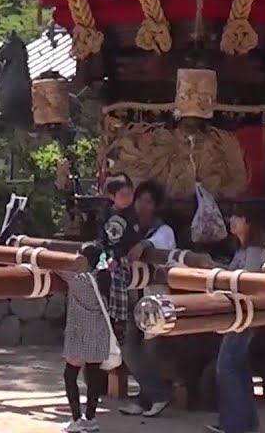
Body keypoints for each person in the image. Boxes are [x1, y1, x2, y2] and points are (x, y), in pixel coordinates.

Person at [117, 180, 176, 418]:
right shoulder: (130, 227)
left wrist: (143, 244)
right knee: (129, 349)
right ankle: (152, 394)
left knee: (150, 351)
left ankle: (154, 396)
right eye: (139, 200)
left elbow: (161, 246)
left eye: (148, 201)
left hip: (154, 302)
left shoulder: (164, 231)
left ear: (156, 206)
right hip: (133, 299)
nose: (142, 205)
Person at [210, 205, 265, 433]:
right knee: (238, 367)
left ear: (249, 222)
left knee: (226, 367)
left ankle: (234, 425)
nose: (232, 220)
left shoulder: (255, 250)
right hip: (239, 314)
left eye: (238, 217)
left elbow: (247, 281)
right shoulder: (243, 248)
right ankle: (246, 423)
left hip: (246, 314)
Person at [59, 243, 108, 432]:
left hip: (80, 334)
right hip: (99, 332)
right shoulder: (103, 277)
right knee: (94, 377)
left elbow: (56, 267)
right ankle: (91, 418)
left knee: (70, 375)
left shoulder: (79, 279)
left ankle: (76, 418)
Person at [97, 174, 139, 347]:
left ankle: (119, 320)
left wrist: (117, 256)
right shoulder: (105, 213)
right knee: (95, 276)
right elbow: (101, 235)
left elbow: (130, 239)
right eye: (122, 195)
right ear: (112, 196)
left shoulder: (131, 216)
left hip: (123, 255)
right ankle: (101, 314)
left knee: (118, 278)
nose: (127, 199)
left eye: (129, 194)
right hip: (107, 252)